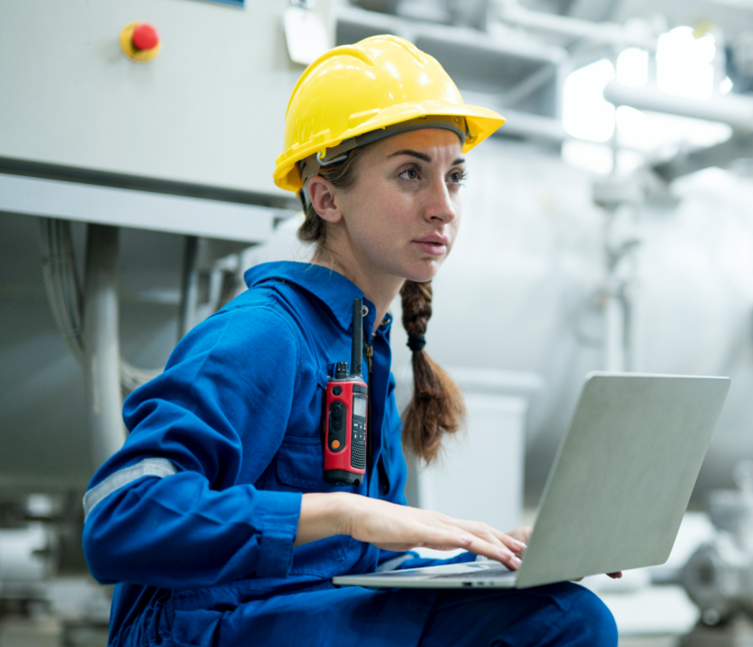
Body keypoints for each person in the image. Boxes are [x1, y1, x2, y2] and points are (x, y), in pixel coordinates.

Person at [81, 35, 618, 646]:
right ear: (326, 197)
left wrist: (483, 558)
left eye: (455, 176)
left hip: (302, 613)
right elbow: (121, 519)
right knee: (568, 624)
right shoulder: (264, 334)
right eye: (411, 174)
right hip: (194, 629)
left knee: (552, 609)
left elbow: (359, 568)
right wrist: (342, 512)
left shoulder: (365, 351)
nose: (443, 207)